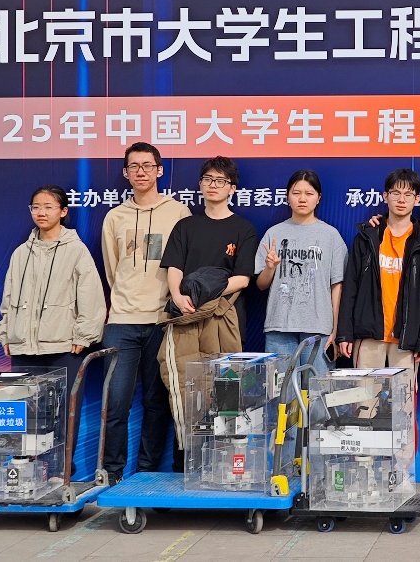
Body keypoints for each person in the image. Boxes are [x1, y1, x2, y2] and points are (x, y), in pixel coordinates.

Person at [0, 185, 106, 474]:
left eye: (48, 206)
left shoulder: (76, 250)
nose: (41, 212)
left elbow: (91, 296)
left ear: (63, 211)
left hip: (63, 346)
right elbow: (8, 296)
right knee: (25, 411)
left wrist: (84, 334)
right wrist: (6, 332)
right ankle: (25, 472)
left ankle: (60, 473)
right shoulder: (21, 252)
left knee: (63, 413)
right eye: (36, 207)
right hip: (24, 346)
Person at [101, 142, 190, 484]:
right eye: (134, 166)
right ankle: (112, 474)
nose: (141, 172)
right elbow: (113, 269)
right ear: (125, 173)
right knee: (116, 403)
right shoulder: (115, 217)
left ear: (159, 170)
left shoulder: (178, 213)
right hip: (122, 321)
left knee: (157, 402)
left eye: (147, 165)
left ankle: (147, 475)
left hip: (162, 321)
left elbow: (183, 266)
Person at [160, 156, 257, 469]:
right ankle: (185, 466)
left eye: (220, 180)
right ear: (200, 184)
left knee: (226, 391)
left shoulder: (243, 229)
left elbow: (243, 278)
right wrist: (178, 296)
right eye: (208, 179)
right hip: (186, 318)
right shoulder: (186, 226)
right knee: (187, 391)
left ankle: (225, 465)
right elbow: (174, 267)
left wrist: (206, 295)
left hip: (224, 319)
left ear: (232, 188)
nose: (213, 185)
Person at [336, 168, 420, 420]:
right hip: (368, 334)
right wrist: (345, 333)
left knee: (403, 411)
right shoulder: (368, 236)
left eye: (408, 194)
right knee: (364, 406)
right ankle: (364, 447)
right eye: (395, 193)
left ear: (417, 199)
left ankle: (403, 450)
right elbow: (351, 287)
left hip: (406, 339)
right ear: (385, 196)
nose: (401, 199)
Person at [256, 169, 347, 374]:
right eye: (296, 193)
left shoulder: (331, 236)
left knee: (318, 389)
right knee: (283, 391)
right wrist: (270, 268)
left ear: (318, 198)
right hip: (279, 327)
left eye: (309, 193)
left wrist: (335, 330)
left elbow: (337, 286)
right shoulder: (274, 233)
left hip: (319, 329)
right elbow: (261, 284)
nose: (302, 199)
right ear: (288, 197)